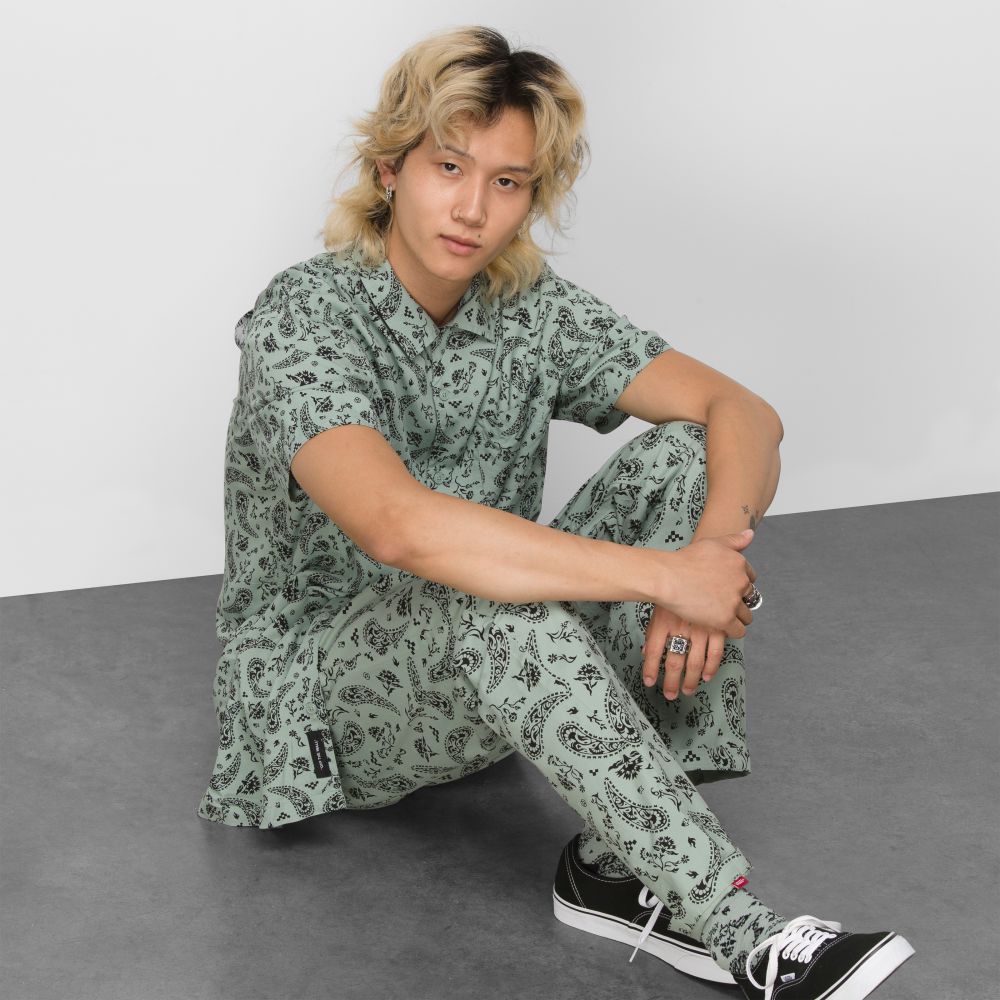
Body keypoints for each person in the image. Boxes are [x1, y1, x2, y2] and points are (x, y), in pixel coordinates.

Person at [197, 24, 914, 999]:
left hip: (499, 667)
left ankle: (614, 863)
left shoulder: (529, 307)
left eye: (507, 182)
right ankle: (735, 927)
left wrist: (708, 552)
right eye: (449, 166)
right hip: (324, 709)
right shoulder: (305, 315)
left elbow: (741, 411)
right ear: (390, 168)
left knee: (690, 458)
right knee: (480, 590)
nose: (472, 208)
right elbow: (397, 526)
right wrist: (668, 577)